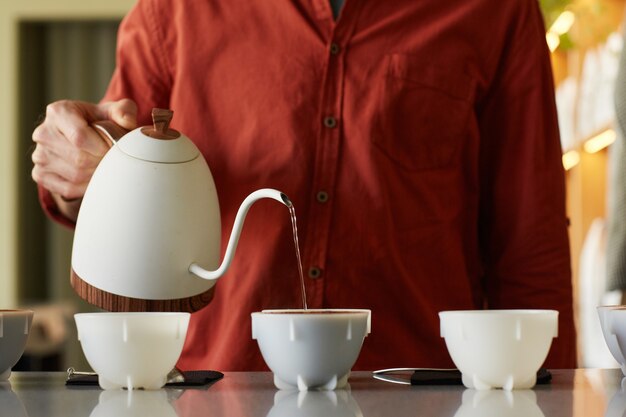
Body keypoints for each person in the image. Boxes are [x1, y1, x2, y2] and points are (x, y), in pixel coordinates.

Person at [31, 0, 577, 370]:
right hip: (218, 392)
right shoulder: (176, 8)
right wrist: (76, 172)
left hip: (415, 390)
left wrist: (552, 397)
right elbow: (106, 167)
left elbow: (532, 247)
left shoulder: (497, 11)